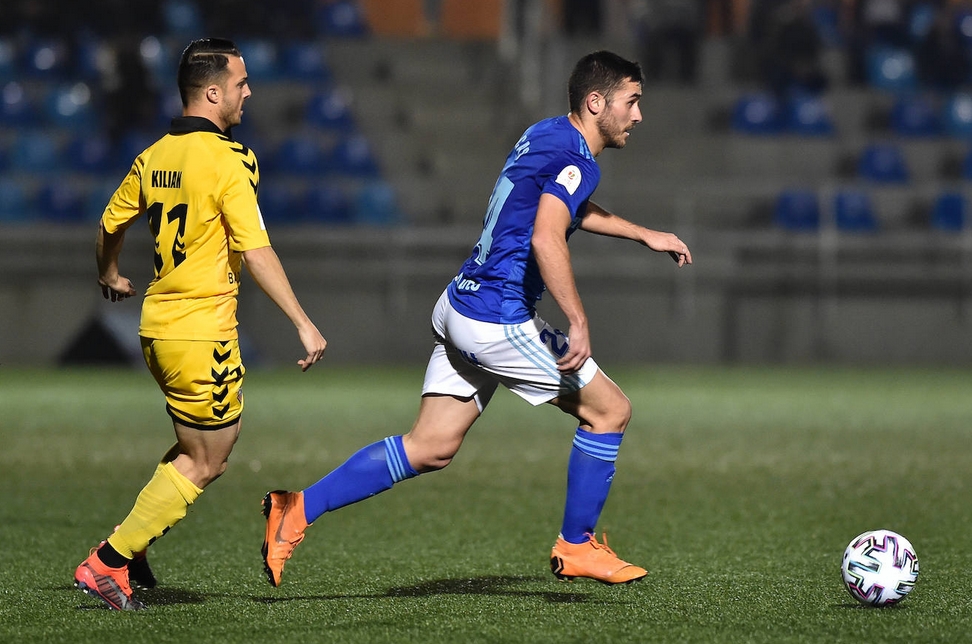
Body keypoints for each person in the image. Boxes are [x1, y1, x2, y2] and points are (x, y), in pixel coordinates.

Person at [261, 50, 692, 587]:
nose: (638, 116)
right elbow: (546, 234)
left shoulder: (547, 134)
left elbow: (562, 207)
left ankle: (296, 509)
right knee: (610, 411)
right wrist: (577, 320)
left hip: (460, 304)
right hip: (497, 317)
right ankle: (576, 546)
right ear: (596, 101)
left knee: (430, 446)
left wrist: (644, 234)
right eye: (632, 102)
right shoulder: (580, 160)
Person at [74, 37, 327, 611]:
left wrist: (110, 274)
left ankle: (133, 551)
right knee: (209, 457)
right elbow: (255, 247)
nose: (248, 93)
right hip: (201, 332)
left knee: (192, 446)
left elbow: (110, 222)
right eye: (241, 84)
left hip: (157, 328)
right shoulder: (232, 159)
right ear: (213, 93)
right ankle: (108, 562)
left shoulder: (154, 155)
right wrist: (302, 322)